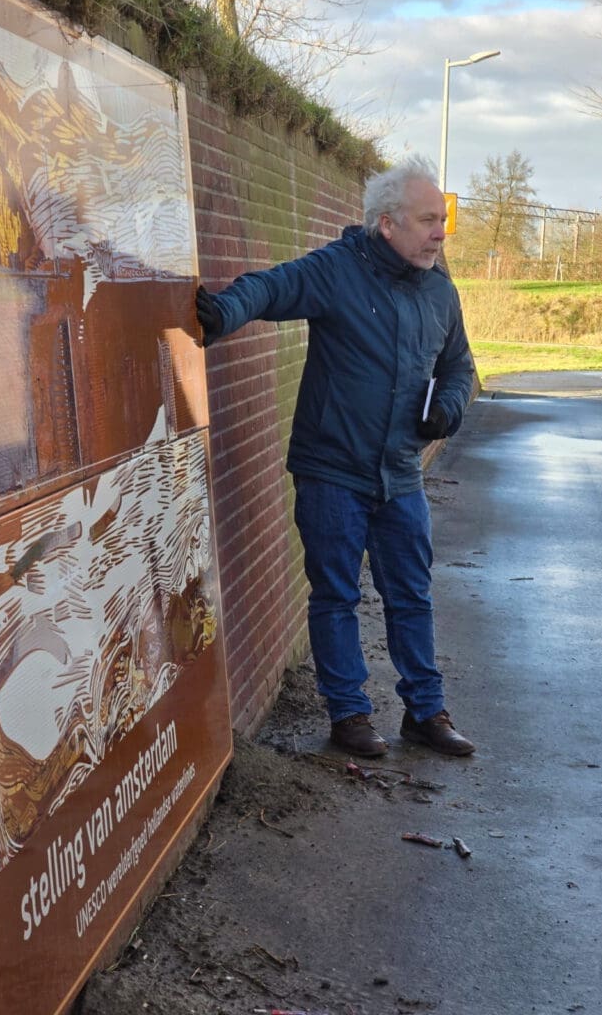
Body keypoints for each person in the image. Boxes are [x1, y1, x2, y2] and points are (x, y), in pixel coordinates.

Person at [195, 154, 476, 758]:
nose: (440, 232)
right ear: (386, 223)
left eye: (442, 219)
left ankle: (425, 712)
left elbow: (460, 368)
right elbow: (274, 286)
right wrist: (222, 313)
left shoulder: (438, 290)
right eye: (428, 219)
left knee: (411, 594)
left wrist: (447, 410)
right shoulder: (337, 270)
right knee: (336, 595)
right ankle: (349, 714)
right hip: (332, 472)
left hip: (400, 474)